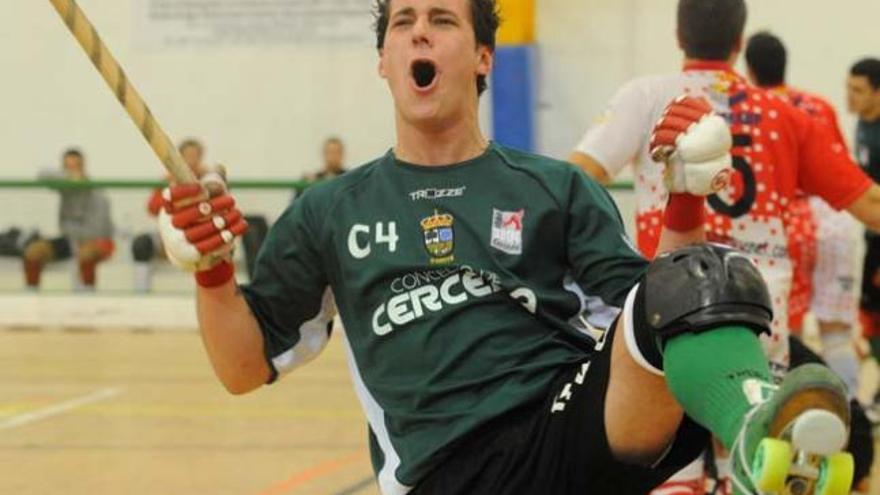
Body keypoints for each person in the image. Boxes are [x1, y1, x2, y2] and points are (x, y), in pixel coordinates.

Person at [156, 1, 868, 494]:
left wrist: (685, 193)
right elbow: (243, 367)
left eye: (441, 21)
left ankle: (752, 438)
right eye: (403, 24)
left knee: (702, 277)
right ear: (384, 61)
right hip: (443, 469)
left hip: (566, 428)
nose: (419, 36)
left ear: (483, 55)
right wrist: (213, 271)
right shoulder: (329, 210)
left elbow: (658, 311)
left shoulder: (551, 188)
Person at [570, 1, 880, 493]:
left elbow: (577, 180)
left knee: (673, 465)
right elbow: (868, 203)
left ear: (678, 36)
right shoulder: (785, 114)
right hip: (759, 311)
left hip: (670, 311)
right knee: (753, 452)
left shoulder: (647, 97)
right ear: (740, 42)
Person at [745, 31, 863, 400]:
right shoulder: (818, 105)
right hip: (834, 219)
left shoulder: (749, 109)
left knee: (787, 331)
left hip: (786, 222)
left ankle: (792, 414)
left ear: (748, 68)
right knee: (836, 333)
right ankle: (850, 413)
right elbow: (841, 167)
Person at [23, 148, 114, 290]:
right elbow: (42, 175)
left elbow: (100, 231)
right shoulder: (65, 187)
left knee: (86, 253)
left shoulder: (97, 193)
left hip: (95, 242)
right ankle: (31, 294)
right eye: (68, 168)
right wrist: (66, 177)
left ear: (83, 167)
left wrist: (79, 240)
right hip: (70, 240)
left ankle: (88, 295)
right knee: (34, 251)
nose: (73, 171)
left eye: (76, 167)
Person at [130, 139, 210, 292]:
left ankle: (205, 295)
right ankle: (141, 294)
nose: (191, 161)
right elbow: (152, 208)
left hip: (198, 236)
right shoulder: (168, 181)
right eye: (187, 156)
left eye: (195, 156)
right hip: (168, 235)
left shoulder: (209, 181)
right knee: (141, 244)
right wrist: (172, 188)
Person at [847, 57, 880, 419]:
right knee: (869, 316)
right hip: (872, 237)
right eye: (848, 88)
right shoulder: (861, 124)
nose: (850, 97)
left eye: (858, 90)